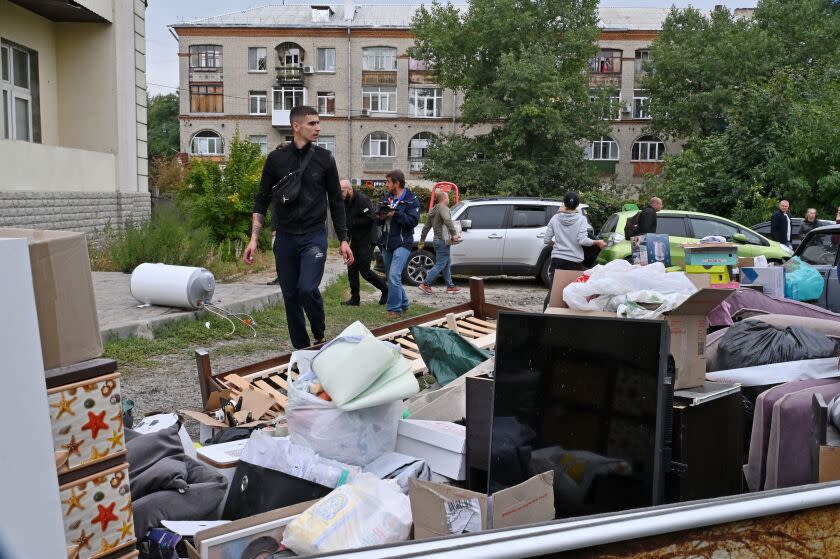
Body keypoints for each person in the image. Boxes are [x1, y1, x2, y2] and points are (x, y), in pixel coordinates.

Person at [244, 105, 353, 349]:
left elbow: (336, 201)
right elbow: (262, 198)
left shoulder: (325, 159)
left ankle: (319, 331)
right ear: (296, 126)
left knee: (306, 288)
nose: (318, 128)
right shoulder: (276, 159)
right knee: (290, 295)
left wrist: (344, 239)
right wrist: (254, 238)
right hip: (285, 238)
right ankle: (302, 348)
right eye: (312, 123)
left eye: (318, 123)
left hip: (314, 236)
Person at [542, 191, 606, 310]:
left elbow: (546, 240)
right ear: (577, 205)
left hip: (557, 260)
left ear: (564, 203)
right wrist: (597, 242)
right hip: (574, 262)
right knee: (573, 293)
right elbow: (582, 240)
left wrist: (559, 243)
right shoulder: (581, 219)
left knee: (553, 292)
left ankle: (546, 316)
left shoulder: (555, 218)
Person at [377, 170, 420, 319]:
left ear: (397, 183)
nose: (386, 184)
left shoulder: (411, 199)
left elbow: (412, 222)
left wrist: (395, 214)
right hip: (387, 243)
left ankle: (394, 309)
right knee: (391, 277)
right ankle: (405, 303)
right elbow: (377, 220)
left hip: (403, 243)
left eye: (388, 181)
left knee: (394, 276)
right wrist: (381, 217)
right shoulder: (386, 199)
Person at [340, 179, 388, 306]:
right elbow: (347, 224)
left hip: (368, 239)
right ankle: (355, 299)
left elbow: (371, 218)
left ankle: (385, 289)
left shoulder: (362, 199)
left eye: (342, 191)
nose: (340, 193)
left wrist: (353, 223)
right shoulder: (345, 202)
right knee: (351, 268)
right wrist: (345, 241)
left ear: (349, 189)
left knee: (365, 271)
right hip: (355, 239)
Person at [417, 191, 462, 295]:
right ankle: (425, 284)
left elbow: (426, 227)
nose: (449, 200)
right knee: (441, 264)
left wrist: (422, 240)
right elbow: (447, 220)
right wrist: (454, 234)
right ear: (444, 199)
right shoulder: (444, 208)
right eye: (447, 198)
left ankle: (450, 286)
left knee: (446, 264)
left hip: (437, 240)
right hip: (443, 241)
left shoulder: (433, 210)